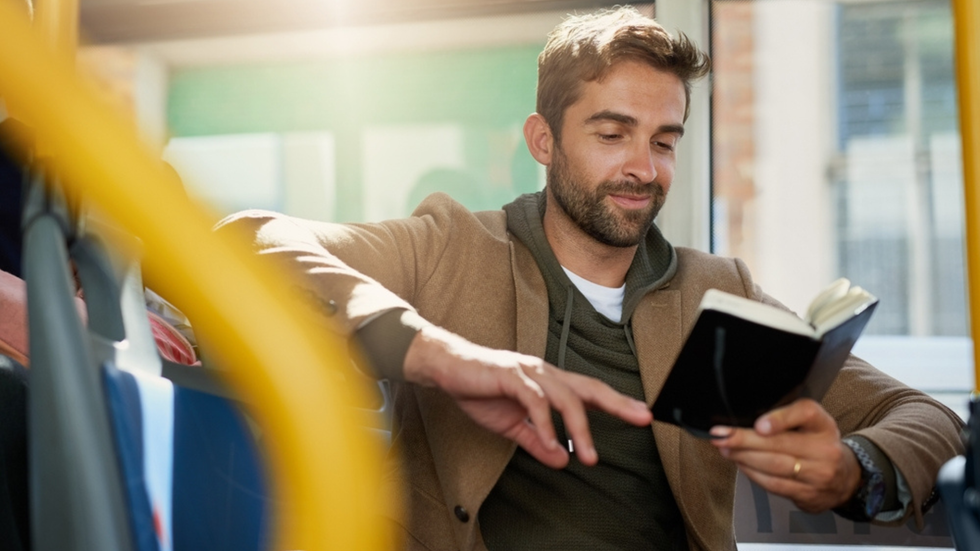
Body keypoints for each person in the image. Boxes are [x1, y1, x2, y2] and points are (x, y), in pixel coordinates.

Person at [217, 7, 964, 550]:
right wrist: (446, 356)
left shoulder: (716, 290)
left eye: (664, 141)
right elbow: (248, 239)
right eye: (612, 135)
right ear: (543, 141)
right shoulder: (451, 245)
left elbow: (925, 414)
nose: (644, 168)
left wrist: (854, 470)